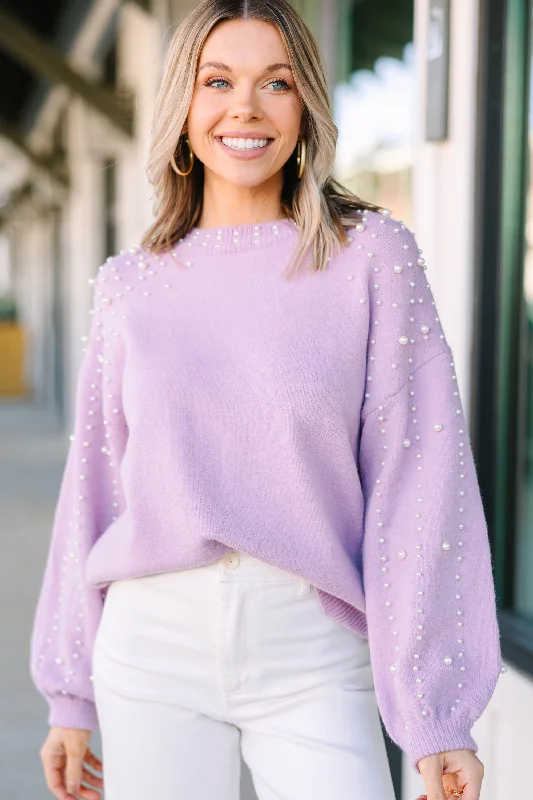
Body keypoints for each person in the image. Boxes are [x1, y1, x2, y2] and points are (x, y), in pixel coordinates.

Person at [30, 1, 504, 799]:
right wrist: (68, 691)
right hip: (152, 647)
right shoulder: (129, 286)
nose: (244, 107)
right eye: (217, 81)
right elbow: (95, 488)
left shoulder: (372, 260)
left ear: (306, 106)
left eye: (274, 83)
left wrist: (434, 713)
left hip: (313, 645)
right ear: (183, 108)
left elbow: (419, 481)